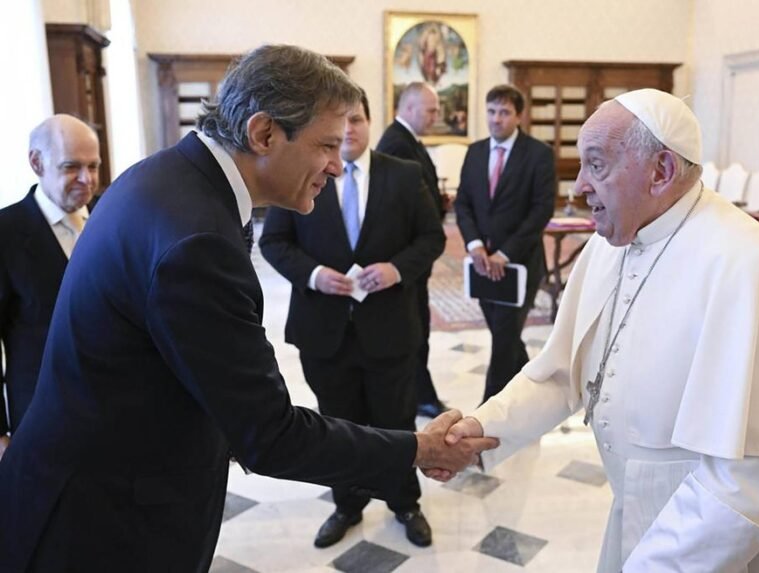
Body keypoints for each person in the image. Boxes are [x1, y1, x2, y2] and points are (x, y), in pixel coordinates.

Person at [0, 45, 498, 573]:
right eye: (326, 144)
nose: (336, 162)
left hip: (95, 491)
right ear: (263, 134)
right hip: (103, 525)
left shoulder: (172, 178)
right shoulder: (197, 238)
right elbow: (269, 435)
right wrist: (418, 450)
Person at [441, 89, 759, 572]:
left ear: (660, 172)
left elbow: (753, 475)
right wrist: (479, 431)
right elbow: (562, 374)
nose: (578, 188)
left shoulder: (753, 267)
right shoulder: (609, 244)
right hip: (648, 513)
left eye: (596, 165)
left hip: (743, 540)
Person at [259, 91, 445, 548]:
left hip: (390, 328)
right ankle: (347, 503)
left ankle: (404, 502)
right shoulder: (300, 172)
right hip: (324, 329)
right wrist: (316, 275)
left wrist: (396, 268)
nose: (350, 131)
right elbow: (275, 242)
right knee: (338, 424)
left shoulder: (403, 175)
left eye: (358, 120)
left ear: (369, 121)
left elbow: (431, 237)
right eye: (341, 122)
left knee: (396, 420)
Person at [0, 114, 100, 459]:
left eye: (94, 166)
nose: (87, 180)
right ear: (37, 162)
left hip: (116, 416)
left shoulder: (113, 218)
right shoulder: (6, 232)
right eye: (72, 167)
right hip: (43, 419)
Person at [454, 84, 555, 403]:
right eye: (492, 111)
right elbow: (463, 203)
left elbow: (541, 210)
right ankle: (532, 384)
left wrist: (505, 252)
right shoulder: (475, 151)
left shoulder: (538, 154)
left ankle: (489, 414)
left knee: (504, 336)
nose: (496, 119)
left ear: (519, 116)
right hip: (482, 263)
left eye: (505, 112)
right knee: (504, 333)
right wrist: (475, 246)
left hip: (520, 261)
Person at [377, 81, 447, 419]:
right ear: (409, 108)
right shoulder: (396, 142)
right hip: (406, 257)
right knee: (414, 329)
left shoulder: (409, 140)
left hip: (414, 258)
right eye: (431, 109)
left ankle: (421, 393)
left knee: (419, 326)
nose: (436, 116)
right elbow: (398, 209)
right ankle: (419, 395)